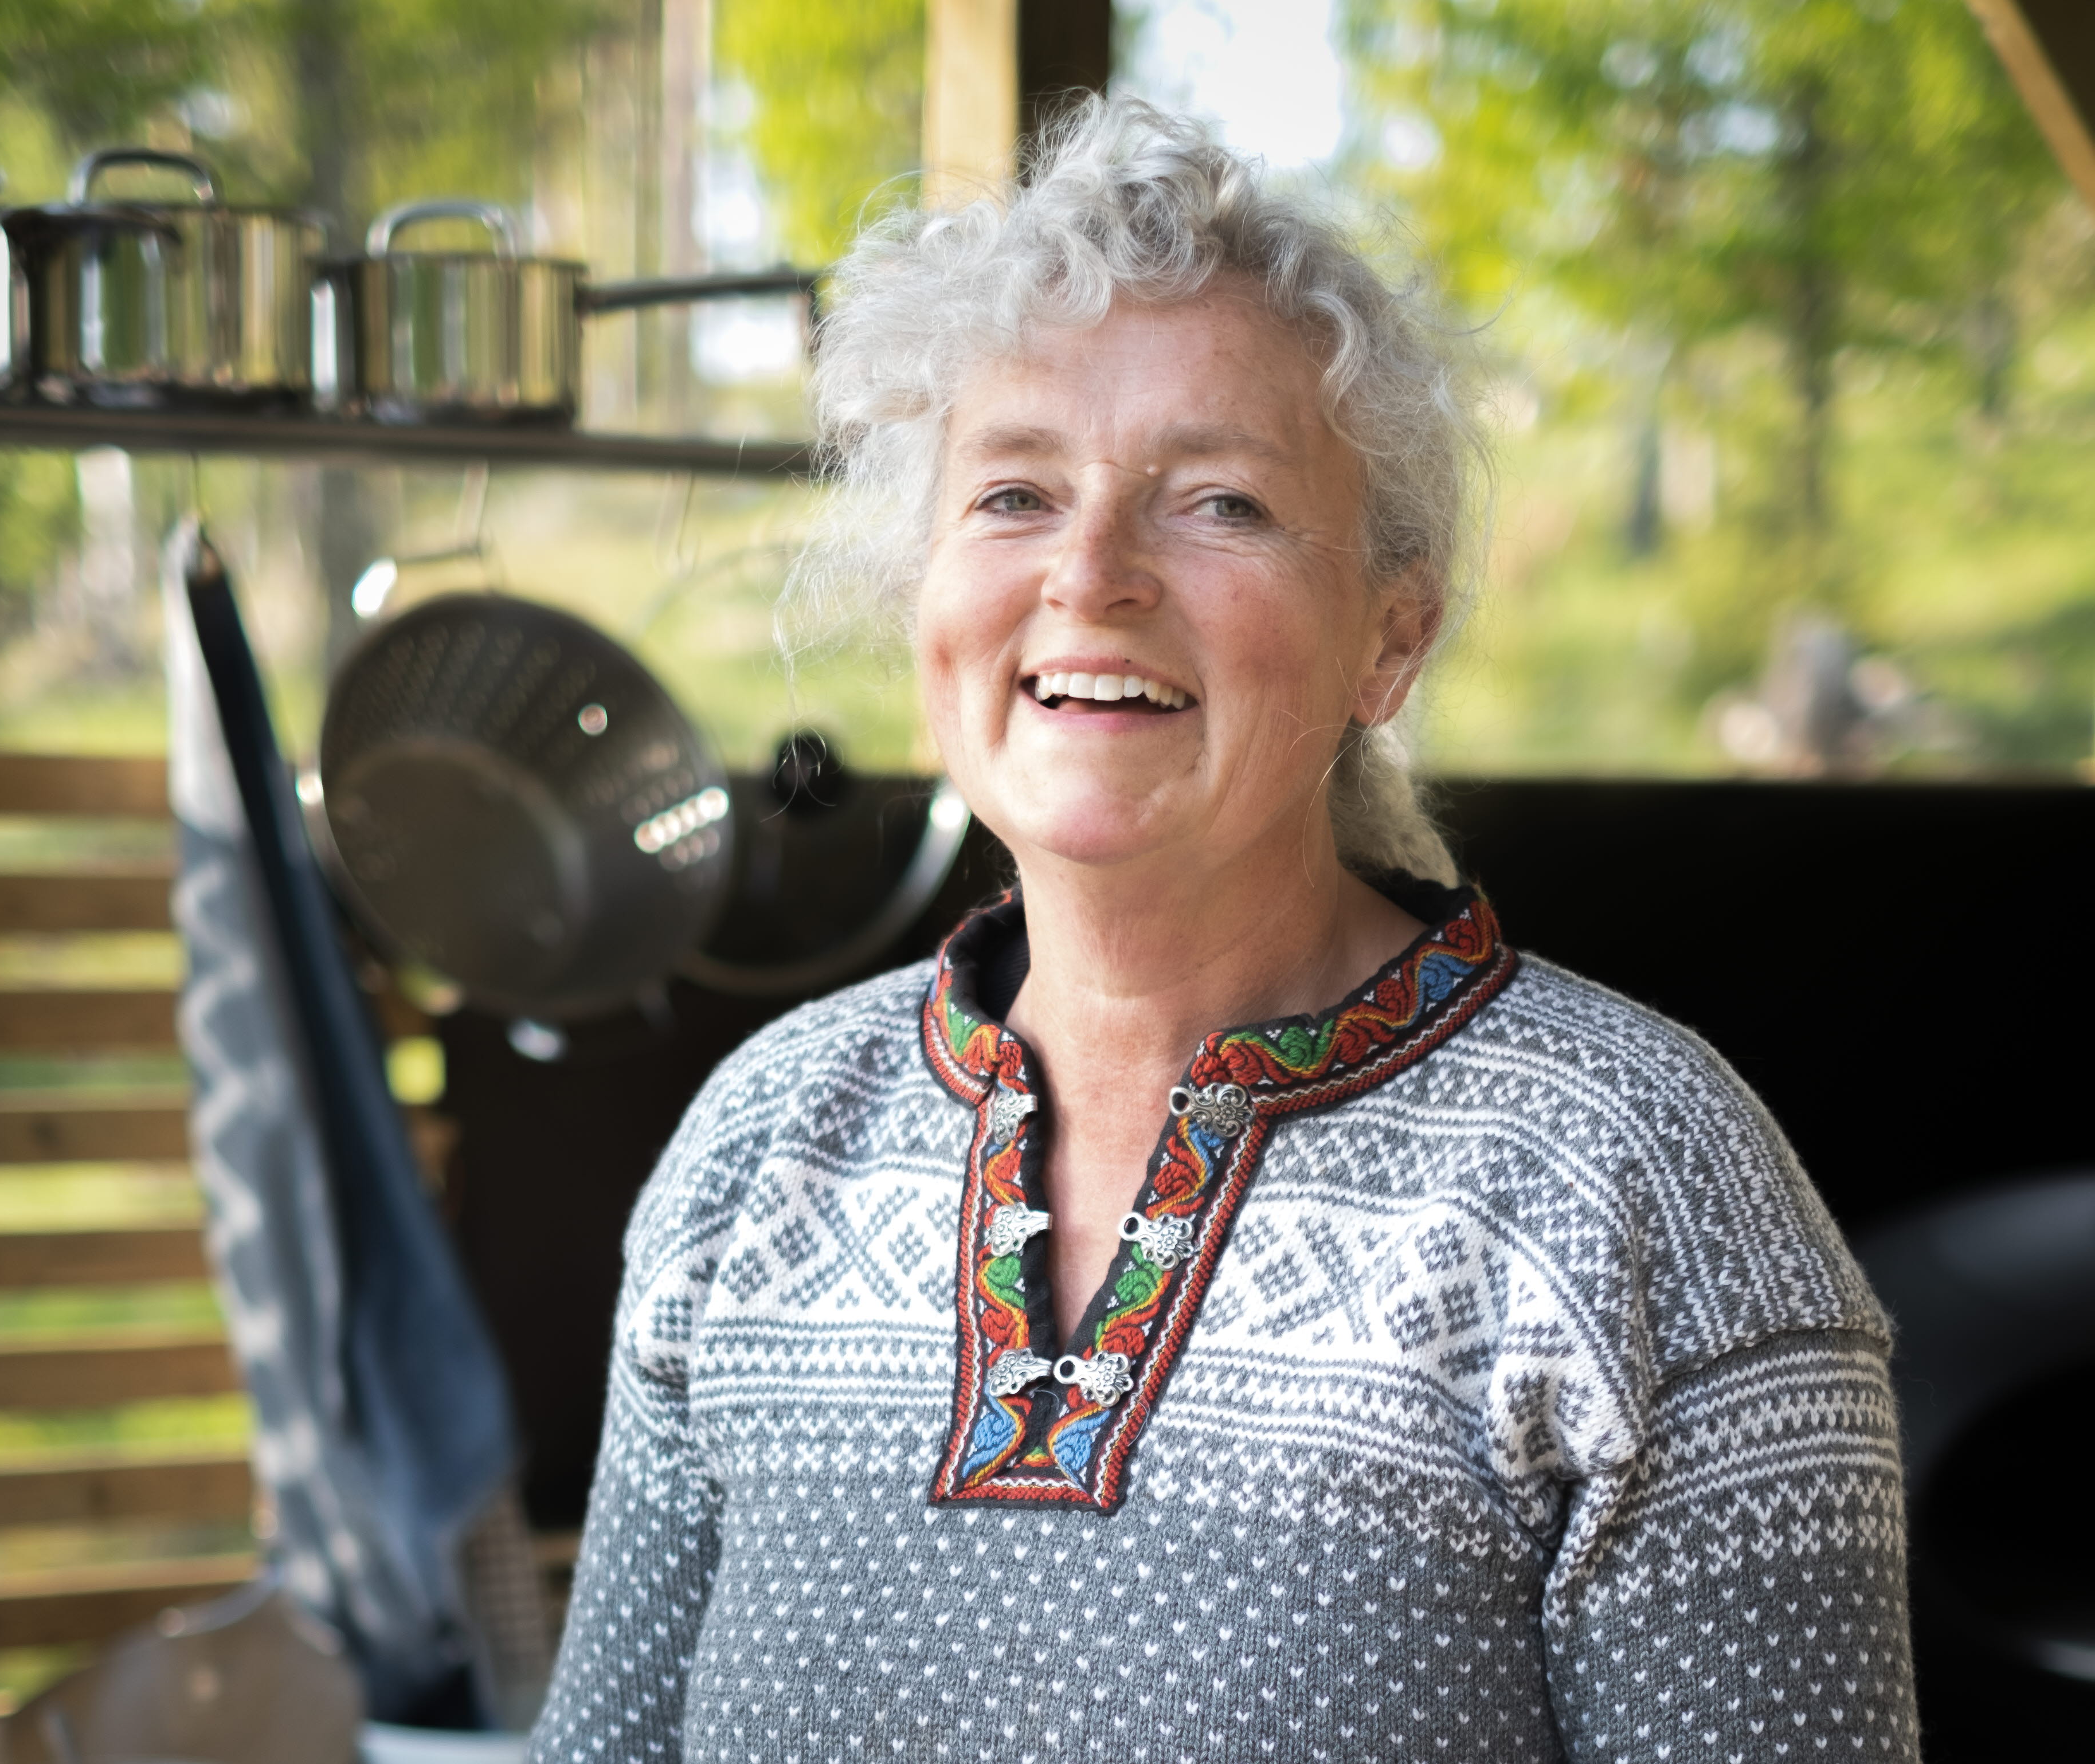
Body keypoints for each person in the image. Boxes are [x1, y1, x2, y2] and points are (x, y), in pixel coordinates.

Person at [530, 97, 1918, 1762]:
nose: (1094, 575)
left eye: (1223, 505)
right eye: (1016, 495)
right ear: (925, 595)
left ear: (1387, 644)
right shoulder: (764, 1144)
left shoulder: (1635, 1181)